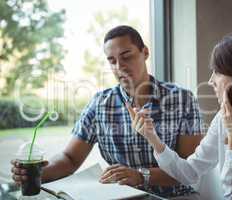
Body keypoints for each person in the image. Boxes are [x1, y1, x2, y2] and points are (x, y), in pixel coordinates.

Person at [11, 25, 204, 198]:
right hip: (119, 196)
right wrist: (37, 173)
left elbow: (188, 169)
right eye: (112, 61)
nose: (119, 67)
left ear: (145, 52)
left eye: (126, 56)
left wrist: (139, 176)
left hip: (175, 197)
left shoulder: (182, 99)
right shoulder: (100, 104)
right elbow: (70, 159)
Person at [129, 31, 232, 200]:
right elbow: (189, 172)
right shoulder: (223, 118)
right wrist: (152, 138)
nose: (211, 81)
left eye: (218, 71)